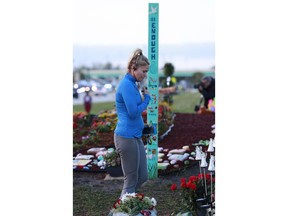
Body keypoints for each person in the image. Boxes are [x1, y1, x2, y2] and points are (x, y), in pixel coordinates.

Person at [114, 48, 151, 197]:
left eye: (147, 71)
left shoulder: (133, 84)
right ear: (133, 68)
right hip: (126, 137)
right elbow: (133, 112)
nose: (145, 75)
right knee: (130, 180)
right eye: (144, 71)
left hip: (135, 135)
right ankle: (121, 210)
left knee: (142, 177)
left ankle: (129, 205)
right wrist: (147, 100)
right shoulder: (126, 85)